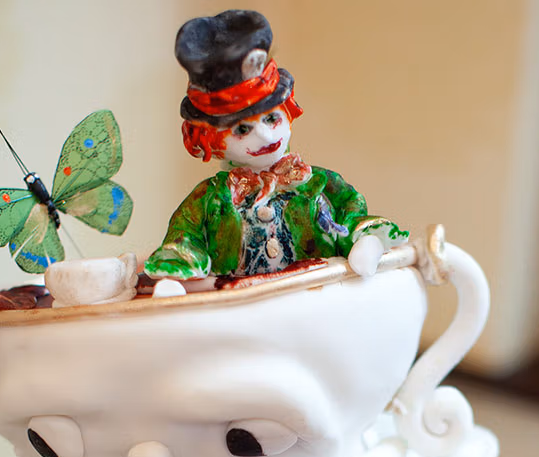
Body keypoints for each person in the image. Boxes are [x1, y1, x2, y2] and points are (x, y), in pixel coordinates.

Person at [144, 10, 407, 281]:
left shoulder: (316, 182)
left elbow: (349, 206)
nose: (265, 137)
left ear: (289, 111)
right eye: (242, 130)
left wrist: (362, 240)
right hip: (244, 301)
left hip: (315, 294)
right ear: (210, 140)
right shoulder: (211, 197)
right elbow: (185, 232)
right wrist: (181, 266)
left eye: (272, 119)